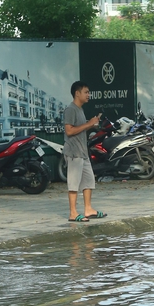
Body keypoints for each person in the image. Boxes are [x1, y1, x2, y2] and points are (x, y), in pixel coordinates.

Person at [63, 81, 106, 223]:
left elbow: (80, 128)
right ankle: (73, 213)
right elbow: (69, 131)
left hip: (83, 152)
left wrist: (91, 125)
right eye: (86, 92)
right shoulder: (71, 109)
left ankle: (88, 209)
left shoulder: (80, 109)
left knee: (88, 181)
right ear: (77, 93)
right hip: (74, 152)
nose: (89, 95)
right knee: (74, 183)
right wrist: (88, 124)